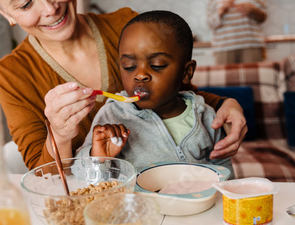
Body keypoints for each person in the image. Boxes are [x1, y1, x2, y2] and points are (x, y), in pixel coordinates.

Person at [0, 0, 247, 170]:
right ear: (3, 11)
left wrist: (226, 104)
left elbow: (179, 93)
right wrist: (59, 134)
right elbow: (42, 174)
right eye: (25, 3)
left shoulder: (125, 26)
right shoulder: (13, 74)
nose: (49, 8)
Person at [76, 11, 233, 176]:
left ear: (186, 72)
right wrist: (98, 158)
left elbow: (223, 168)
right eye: (129, 66)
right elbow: (79, 175)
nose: (140, 75)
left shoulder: (206, 117)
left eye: (157, 65)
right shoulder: (112, 115)